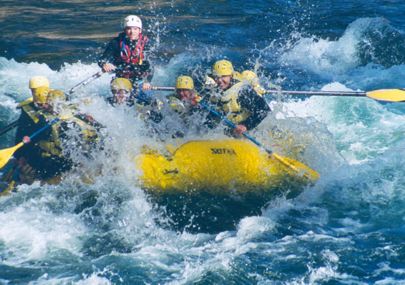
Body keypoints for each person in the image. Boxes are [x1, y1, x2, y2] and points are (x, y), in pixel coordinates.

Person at [12, 76, 102, 185]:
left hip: (63, 159)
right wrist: (20, 157)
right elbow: (23, 135)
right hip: (45, 157)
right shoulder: (32, 113)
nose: (43, 106)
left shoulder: (69, 113)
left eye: (46, 104)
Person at [204, 60, 270, 136]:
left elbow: (264, 110)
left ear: (231, 76)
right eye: (217, 77)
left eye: (224, 76)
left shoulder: (243, 91)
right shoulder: (216, 92)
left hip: (253, 130)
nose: (219, 80)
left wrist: (245, 126)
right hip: (232, 132)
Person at [98, 15, 153, 91]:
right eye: (128, 29)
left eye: (135, 29)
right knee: (121, 95)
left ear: (140, 30)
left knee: (145, 100)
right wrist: (104, 64)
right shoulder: (116, 43)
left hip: (140, 81)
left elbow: (150, 67)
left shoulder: (146, 44)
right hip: (121, 78)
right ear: (124, 30)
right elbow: (101, 60)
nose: (132, 32)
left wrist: (147, 81)